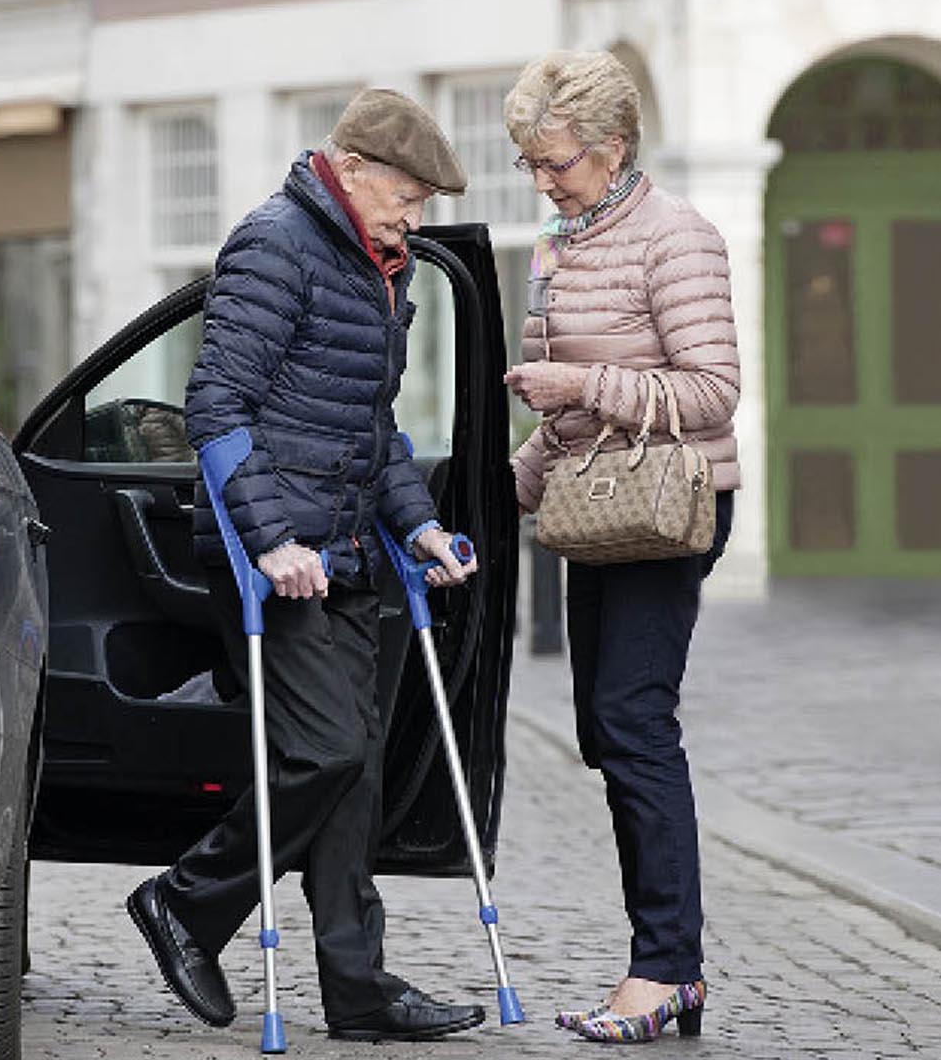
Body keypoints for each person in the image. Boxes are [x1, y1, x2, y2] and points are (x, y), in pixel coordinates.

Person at [126, 88, 487, 1044]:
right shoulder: (275, 243)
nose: (416, 217)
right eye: (407, 195)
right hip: (272, 555)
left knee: (354, 771)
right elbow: (216, 408)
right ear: (354, 169)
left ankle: (358, 992)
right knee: (326, 750)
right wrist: (269, 540)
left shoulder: (384, 268)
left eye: (424, 203)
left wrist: (418, 527)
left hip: (348, 548)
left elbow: (372, 429)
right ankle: (185, 903)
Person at [500, 51, 741, 1043]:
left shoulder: (676, 237)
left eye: (555, 163)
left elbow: (712, 393)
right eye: (532, 165)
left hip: (669, 508)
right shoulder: (562, 245)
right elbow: (560, 414)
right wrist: (499, 487)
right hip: (596, 507)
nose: (545, 182)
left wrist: (584, 389)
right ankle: (661, 964)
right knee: (608, 732)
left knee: (634, 723)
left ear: (615, 148)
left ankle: (667, 970)